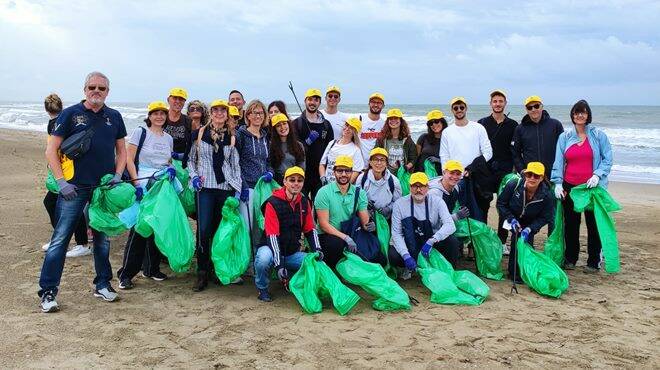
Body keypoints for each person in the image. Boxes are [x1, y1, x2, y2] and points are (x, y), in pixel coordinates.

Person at [39, 71, 127, 312]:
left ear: (107, 91)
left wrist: (118, 176)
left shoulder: (114, 117)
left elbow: (122, 151)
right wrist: (61, 182)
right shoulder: (70, 114)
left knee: (102, 240)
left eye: (101, 88)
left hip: (102, 191)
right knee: (60, 240)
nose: (96, 91)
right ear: (84, 89)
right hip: (73, 189)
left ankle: (103, 285)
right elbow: (51, 150)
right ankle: (48, 292)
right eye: (92, 87)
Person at [117, 101, 174, 289]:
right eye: (155, 113)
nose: (159, 116)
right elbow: (129, 159)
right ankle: (126, 273)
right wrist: (137, 184)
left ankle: (151, 268)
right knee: (139, 228)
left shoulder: (168, 138)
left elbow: (167, 161)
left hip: (161, 185)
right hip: (143, 183)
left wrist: (171, 169)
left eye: (162, 113)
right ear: (149, 116)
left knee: (157, 225)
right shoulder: (141, 133)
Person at [551, 100, 613, 273]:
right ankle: (571, 258)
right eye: (577, 112)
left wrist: (597, 174)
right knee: (571, 224)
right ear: (572, 115)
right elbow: (558, 160)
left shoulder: (598, 135)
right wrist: (557, 182)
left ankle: (594, 261)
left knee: (593, 225)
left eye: (583, 112)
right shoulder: (565, 137)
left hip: (592, 188)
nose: (580, 115)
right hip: (570, 187)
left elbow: (608, 159)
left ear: (588, 115)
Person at [188, 99, 242, 291]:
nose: (219, 113)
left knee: (220, 232)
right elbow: (191, 160)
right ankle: (202, 272)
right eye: (216, 110)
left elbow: (235, 166)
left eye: (223, 110)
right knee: (203, 230)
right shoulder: (200, 133)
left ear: (227, 114)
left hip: (224, 188)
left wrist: (237, 190)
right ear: (211, 113)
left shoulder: (232, 137)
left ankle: (217, 268)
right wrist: (193, 176)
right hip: (205, 188)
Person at [254, 166, 323, 302]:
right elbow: (272, 236)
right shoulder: (272, 203)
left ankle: (297, 280)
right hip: (270, 249)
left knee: (318, 264)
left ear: (303, 183)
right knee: (263, 260)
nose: (296, 183)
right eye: (292, 180)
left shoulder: (304, 202)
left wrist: (317, 250)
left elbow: (310, 230)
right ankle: (262, 288)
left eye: (299, 180)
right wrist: (279, 264)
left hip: (291, 253)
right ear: (284, 182)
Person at [41, 93, 91, 257]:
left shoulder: (59, 122)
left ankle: (82, 244)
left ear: (46, 109)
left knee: (68, 206)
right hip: (65, 169)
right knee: (54, 203)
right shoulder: (62, 120)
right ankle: (63, 239)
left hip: (68, 171)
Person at [390, 172, 459, 278]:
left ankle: (449, 273)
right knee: (392, 255)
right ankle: (408, 267)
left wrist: (432, 240)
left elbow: (450, 225)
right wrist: (405, 255)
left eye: (422, 186)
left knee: (452, 242)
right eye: (415, 186)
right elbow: (396, 233)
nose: (418, 190)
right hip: (410, 243)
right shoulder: (400, 204)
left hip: (430, 243)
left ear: (427, 187)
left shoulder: (437, 201)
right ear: (409, 187)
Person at [496, 162, 554, 283]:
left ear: (542, 178)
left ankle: (523, 272)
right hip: (513, 217)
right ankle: (514, 274)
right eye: (529, 174)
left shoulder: (547, 195)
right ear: (525, 174)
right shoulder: (513, 185)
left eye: (536, 176)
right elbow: (501, 203)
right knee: (516, 239)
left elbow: (545, 217)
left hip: (530, 221)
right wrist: (510, 219)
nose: (532, 178)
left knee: (526, 243)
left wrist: (531, 228)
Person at [440, 97, 492, 222]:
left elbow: (488, 152)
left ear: (466, 108)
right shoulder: (447, 132)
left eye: (461, 107)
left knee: (479, 212)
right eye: (455, 108)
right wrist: (446, 175)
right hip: (456, 179)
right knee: (459, 213)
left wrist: (472, 168)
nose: (459, 110)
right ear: (452, 110)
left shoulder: (478, 128)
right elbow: (444, 155)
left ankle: (478, 241)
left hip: (477, 178)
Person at [478, 90, 519, 249]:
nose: (498, 104)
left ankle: (502, 241)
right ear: (490, 104)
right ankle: (483, 240)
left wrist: (515, 171)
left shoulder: (513, 125)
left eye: (500, 101)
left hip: (505, 172)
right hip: (485, 173)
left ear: (505, 103)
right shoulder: (482, 123)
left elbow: (516, 150)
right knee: (483, 207)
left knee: (504, 208)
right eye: (495, 101)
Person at [314, 155, 371, 268]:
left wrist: (369, 225)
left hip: (350, 232)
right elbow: (323, 225)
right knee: (337, 244)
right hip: (328, 235)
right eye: (340, 170)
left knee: (374, 254)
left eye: (347, 171)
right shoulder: (324, 192)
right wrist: (345, 237)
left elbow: (365, 222)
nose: (344, 174)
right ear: (334, 172)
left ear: (352, 172)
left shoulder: (360, 192)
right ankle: (332, 267)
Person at [235, 99, 272, 246]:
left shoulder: (265, 136)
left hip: (263, 188)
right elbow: (234, 163)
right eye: (254, 112)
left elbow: (269, 161)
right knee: (247, 225)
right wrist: (242, 185)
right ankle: (245, 258)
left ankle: (258, 256)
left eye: (261, 113)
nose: (258, 116)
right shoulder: (241, 135)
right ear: (248, 115)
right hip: (247, 187)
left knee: (261, 225)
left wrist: (270, 172)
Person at [292, 88, 334, 199]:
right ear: (305, 101)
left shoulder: (326, 125)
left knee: (320, 207)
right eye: (310, 99)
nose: (312, 102)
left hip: (320, 175)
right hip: (302, 173)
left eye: (316, 100)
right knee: (301, 207)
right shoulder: (297, 124)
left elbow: (330, 149)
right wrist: (307, 142)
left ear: (320, 103)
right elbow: (293, 148)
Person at [512, 95, 564, 178]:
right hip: (531, 177)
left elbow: (563, 149)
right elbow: (515, 153)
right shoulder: (520, 128)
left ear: (542, 107)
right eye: (530, 108)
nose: (533, 110)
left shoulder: (555, 125)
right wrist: (522, 170)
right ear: (526, 110)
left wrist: (561, 169)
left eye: (536, 106)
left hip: (553, 175)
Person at [355, 148, 402, 219]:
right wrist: (365, 203)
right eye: (376, 159)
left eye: (382, 160)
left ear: (386, 163)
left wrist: (388, 209)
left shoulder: (394, 181)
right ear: (370, 162)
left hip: (385, 221)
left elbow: (398, 202)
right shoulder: (362, 179)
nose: (379, 163)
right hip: (366, 219)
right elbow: (356, 199)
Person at [319, 117, 365, 184]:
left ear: (355, 132)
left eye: (351, 128)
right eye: (346, 125)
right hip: (327, 186)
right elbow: (322, 164)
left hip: (342, 189)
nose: (347, 129)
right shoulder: (332, 143)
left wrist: (345, 186)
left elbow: (356, 171)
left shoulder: (355, 150)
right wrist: (323, 178)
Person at [375, 108, 418, 175]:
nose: (393, 120)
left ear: (401, 121)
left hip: (402, 174)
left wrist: (406, 167)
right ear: (387, 121)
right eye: (391, 119)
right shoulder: (382, 139)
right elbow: (375, 154)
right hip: (385, 173)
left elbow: (413, 158)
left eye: (396, 118)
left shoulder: (407, 140)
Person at [269, 113, 305, 184]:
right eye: (278, 125)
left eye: (284, 123)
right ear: (275, 129)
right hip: (276, 183)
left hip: (294, 181)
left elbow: (302, 167)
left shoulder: (299, 145)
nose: (282, 127)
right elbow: (269, 165)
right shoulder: (270, 145)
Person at [164, 87, 192, 165]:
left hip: (180, 162)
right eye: (175, 98)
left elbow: (192, 146)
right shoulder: (160, 118)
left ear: (184, 102)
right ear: (168, 100)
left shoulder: (188, 121)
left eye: (181, 99)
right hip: (160, 160)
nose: (178, 101)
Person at [358, 92, 385, 163]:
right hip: (360, 166)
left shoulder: (385, 125)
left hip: (376, 165)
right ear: (369, 104)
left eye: (379, 103)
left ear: (383, 106)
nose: (376, 105)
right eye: (373, 102)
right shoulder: (359, 120)